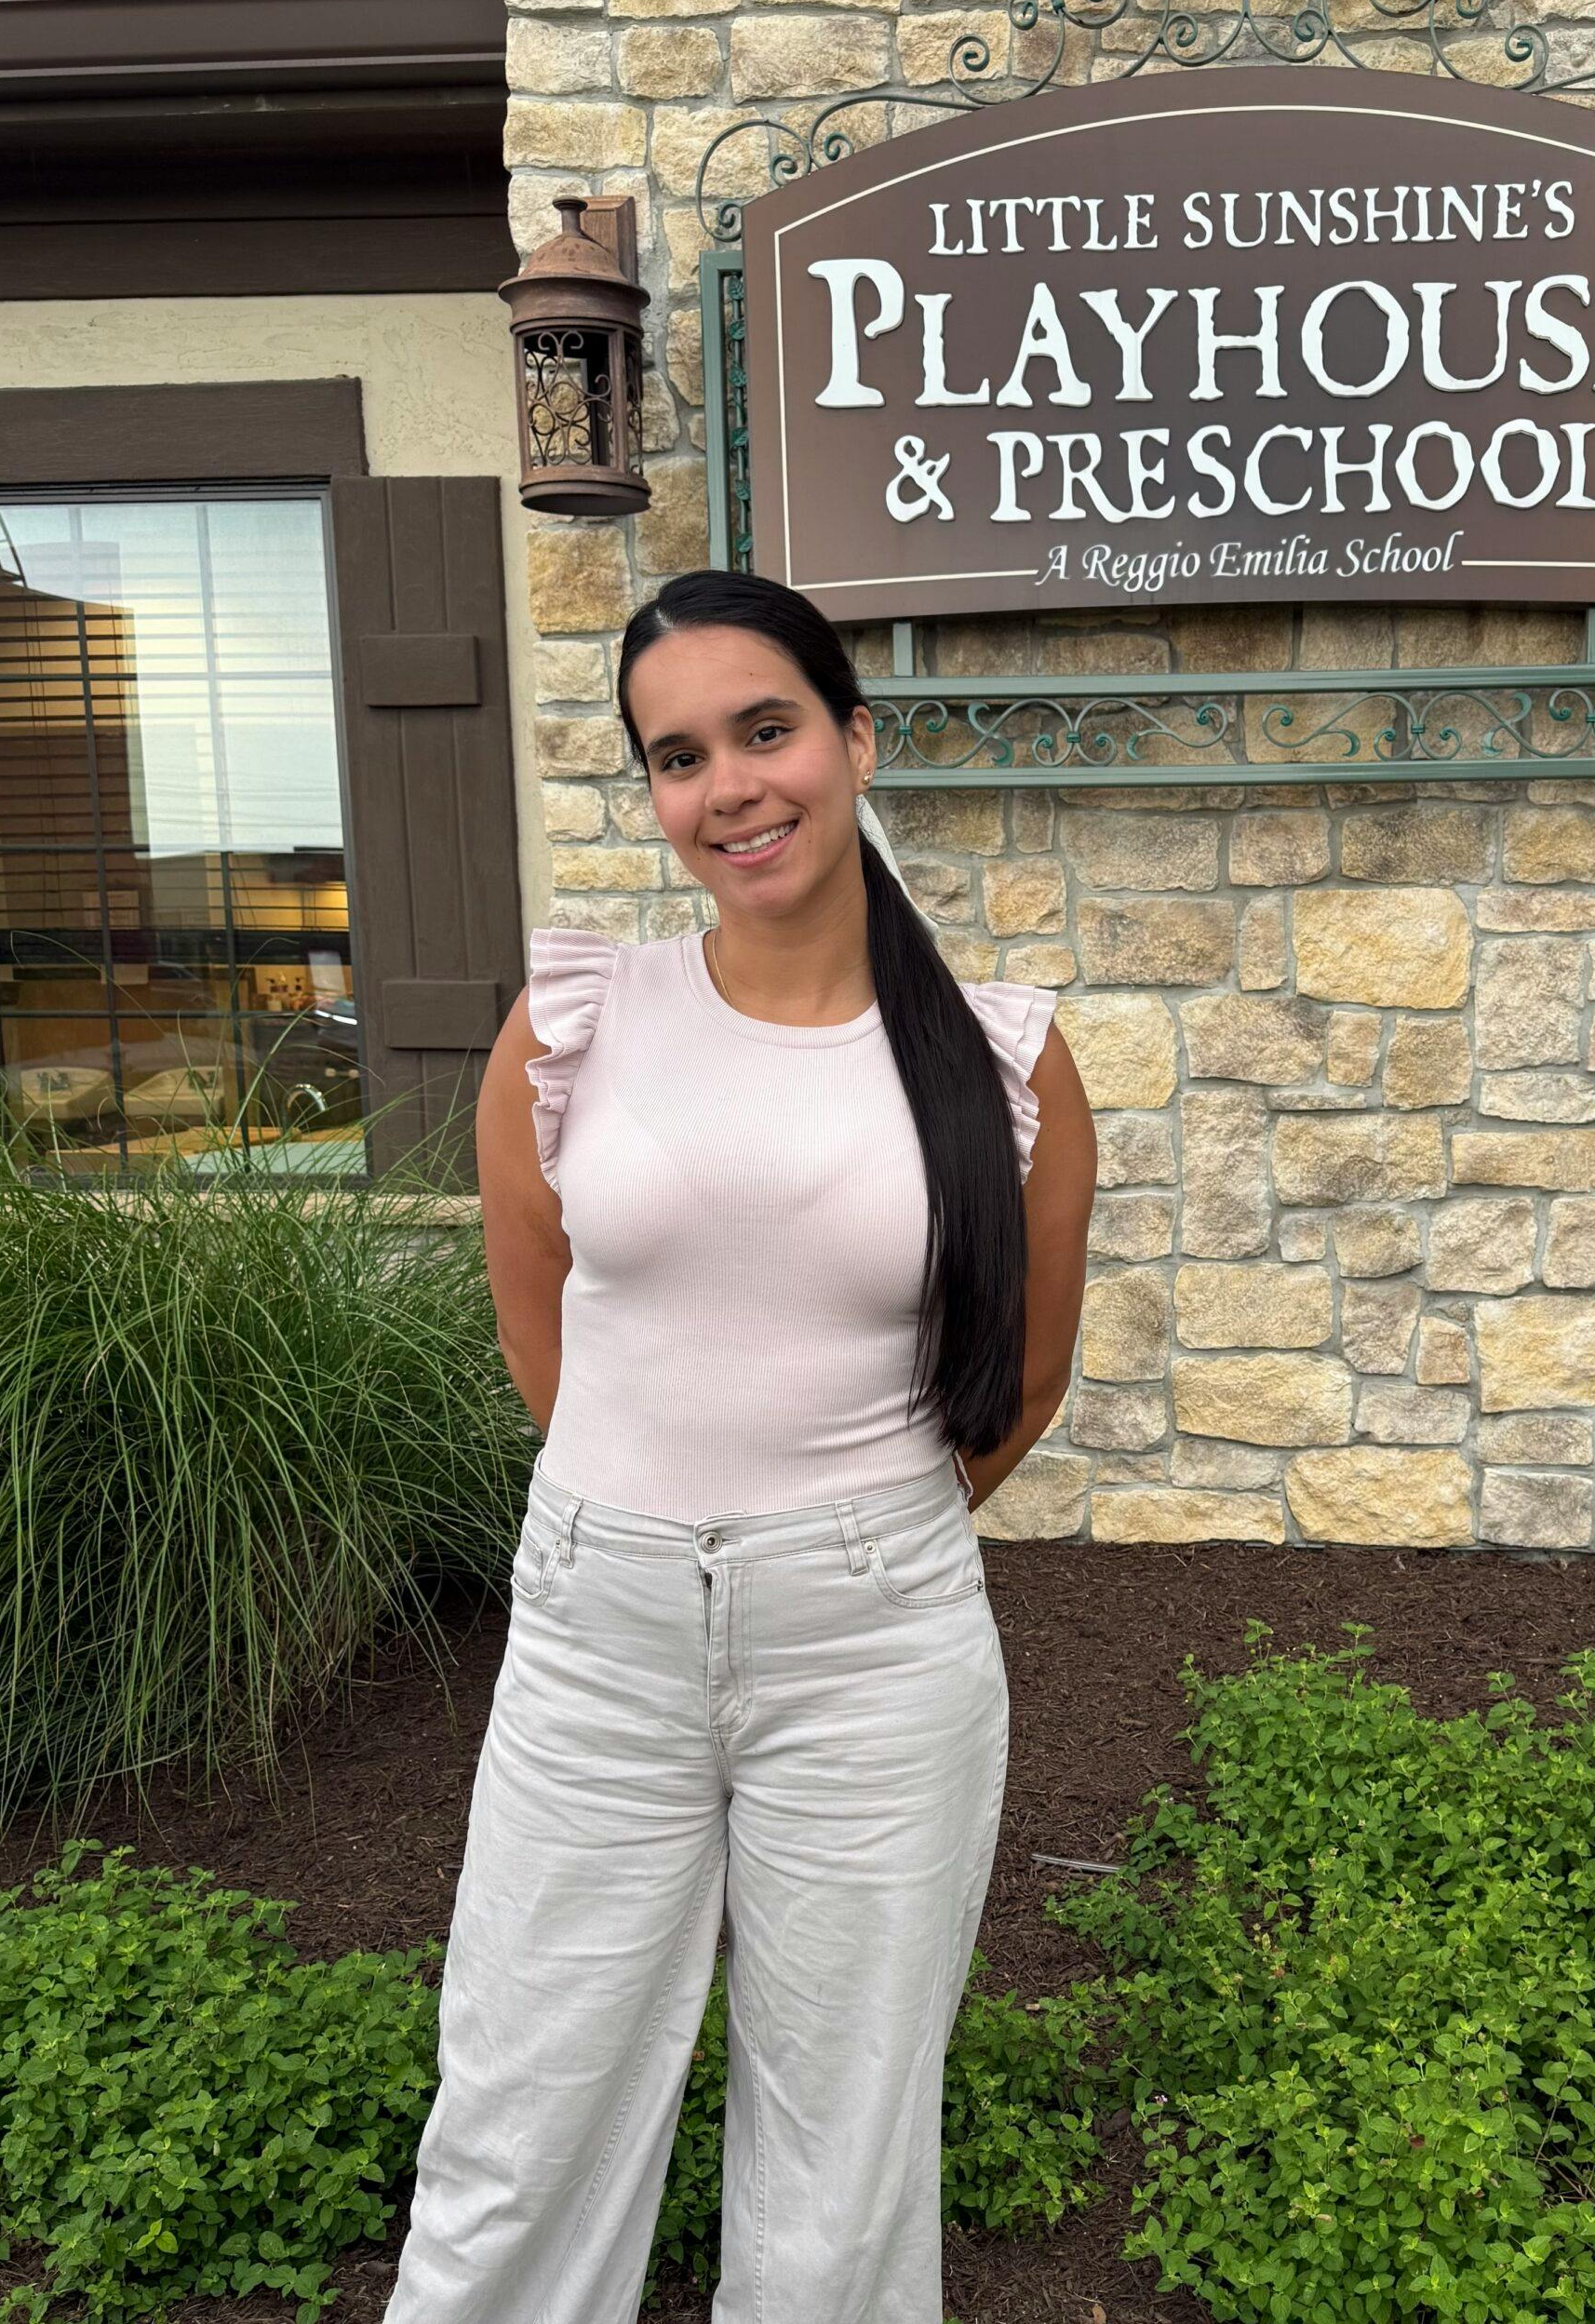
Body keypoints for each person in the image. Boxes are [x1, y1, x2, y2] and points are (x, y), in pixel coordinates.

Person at [381, 568, 1096, 2324]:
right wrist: (660, 1523)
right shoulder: (578, 1023)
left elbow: (1019, 1385)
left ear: (854, 740)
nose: (730, 788)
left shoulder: (1003, 1063)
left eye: (766, 730)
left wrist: (829, 1535)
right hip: (598, 1638)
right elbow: (545, 1333)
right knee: (519, 2121)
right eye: (679, 755)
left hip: (875, 1653)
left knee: (844, 2160)